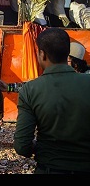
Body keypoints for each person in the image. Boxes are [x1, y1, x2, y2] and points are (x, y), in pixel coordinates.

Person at [14, 28, 90, 174]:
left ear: (42, 54)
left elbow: (22, 146)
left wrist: (41, 148)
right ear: (67, 54)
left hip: (50, 167)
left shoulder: (30, 90)